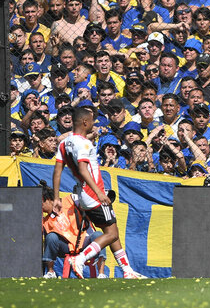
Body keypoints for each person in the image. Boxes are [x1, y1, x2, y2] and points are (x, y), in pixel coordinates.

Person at [52, 107, 145, 279]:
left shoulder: (65, 143)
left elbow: (57, 171)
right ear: (85, 122)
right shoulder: (85, 144)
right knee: (112, 234)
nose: (94, 123)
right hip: (94, 194)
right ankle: (80, 259)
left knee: (112, 232)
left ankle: (127, 271)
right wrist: (99, 193)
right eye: (92, 120)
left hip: (82, 195)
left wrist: (57, 197)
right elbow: (83, 169)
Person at [41, 180, 107, 279]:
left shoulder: (70, 199)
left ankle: (101, 274)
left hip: (85, 242)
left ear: (48, 200)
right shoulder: (45, 221)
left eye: (41, 203)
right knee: (51, 237)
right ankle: (51, 272)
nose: (41, 207)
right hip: (66, 247)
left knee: (98, 235)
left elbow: (84, 202)